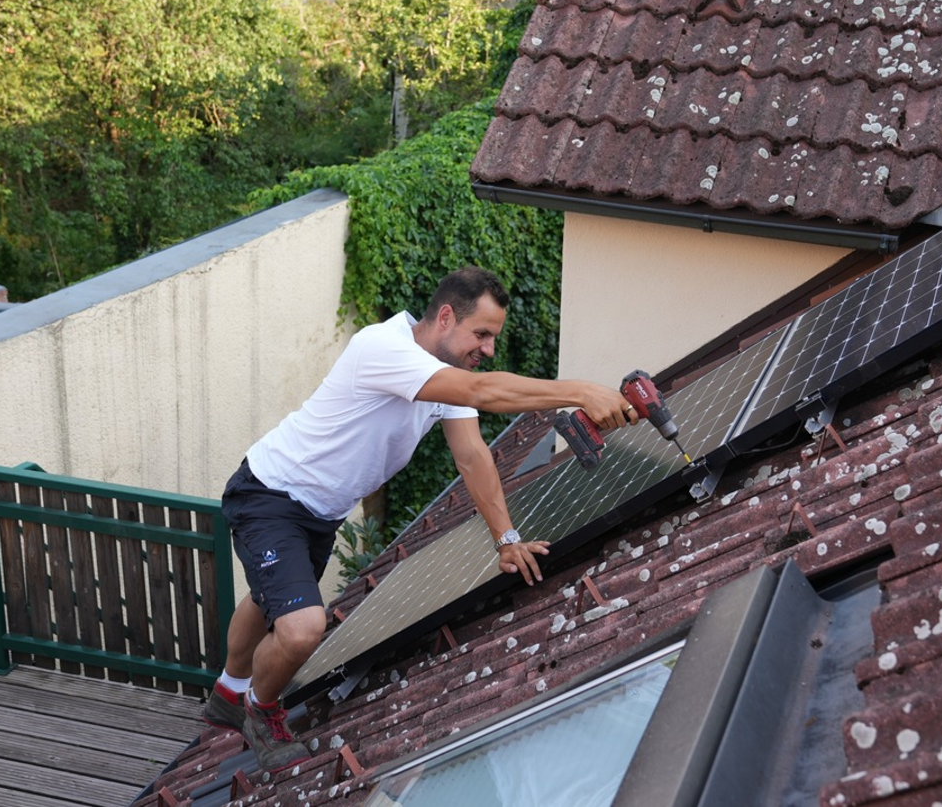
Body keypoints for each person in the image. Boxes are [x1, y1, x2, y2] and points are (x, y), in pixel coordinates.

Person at [201, 266, 638, 771]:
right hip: (270, 493)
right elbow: (482, 393)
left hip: (319, 511)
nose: (489, 348)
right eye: (482, 334)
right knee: (301, 628)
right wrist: (580, 390)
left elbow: (472, 456)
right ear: (446, 317)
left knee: (269, 598)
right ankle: (260, 710)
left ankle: (227, 693)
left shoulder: (445, 374)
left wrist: (507, 539)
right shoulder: (384, 348)